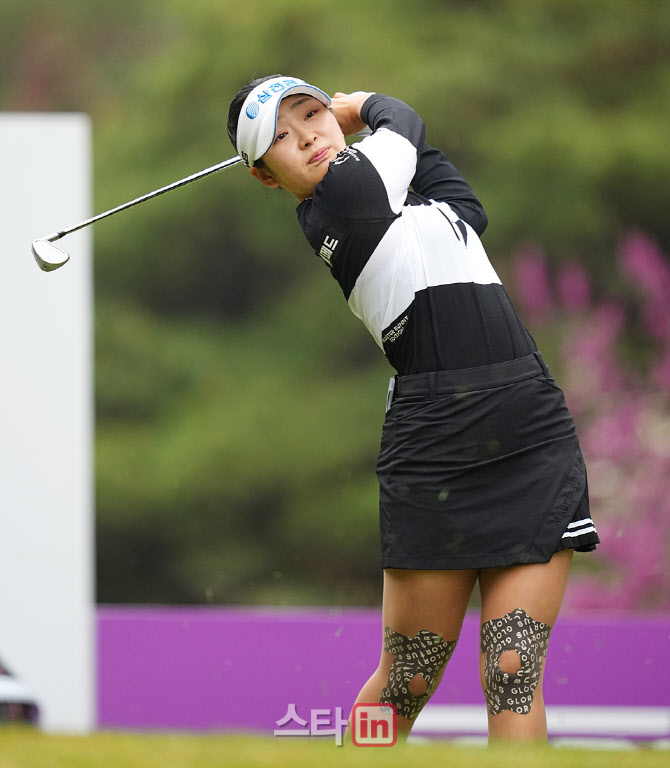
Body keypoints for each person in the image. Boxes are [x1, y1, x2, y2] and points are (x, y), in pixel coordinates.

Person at [227, 75, 599, 744]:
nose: (307, 136)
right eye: (281, 137)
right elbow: (403, 123)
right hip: (436, 439)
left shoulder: (400, 196)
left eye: (311, 114)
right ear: (264, 175)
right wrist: (359, 107)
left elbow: (467, 210)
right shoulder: (339, 201)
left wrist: (358, 122)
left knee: (513, 670)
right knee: (408, 679)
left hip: (527, 422)